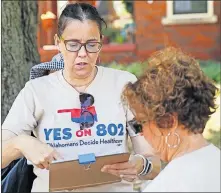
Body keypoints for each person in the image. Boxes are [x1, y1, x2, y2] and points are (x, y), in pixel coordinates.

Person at [2, 3, 161, 192]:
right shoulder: (36, 91)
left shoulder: (123, 85)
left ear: (101, 42)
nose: (83, 54)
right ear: (58, 42)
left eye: (92, 44)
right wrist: (22, 143)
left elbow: (154, 162)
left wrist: (141, 164)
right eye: (73, 44)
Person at [122, 47, 220, 192]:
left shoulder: (166, 186)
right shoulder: (215, 159)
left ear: (168, 122)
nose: (141, 133)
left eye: (141, 123)